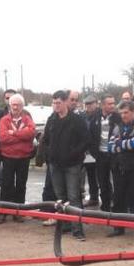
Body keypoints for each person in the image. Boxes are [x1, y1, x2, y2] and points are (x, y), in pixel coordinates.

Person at [41, 90, 89, 240]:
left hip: (72, 164)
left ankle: (77, 229)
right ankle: (65, 225)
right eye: (54, 103)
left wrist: (74, 154)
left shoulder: (77, 120)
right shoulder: (52, 119)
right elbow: (45, 139)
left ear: (66, 102)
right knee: (60, 197)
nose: (56, 106)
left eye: (59, 103)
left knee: (74, 196)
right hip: (55, 164)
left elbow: (85, 140)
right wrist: (49, 154)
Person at [107, 100, 134, 240]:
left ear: (133, 112)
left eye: (126, 112)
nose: (123, 116)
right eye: (121, 113)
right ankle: (118, 228)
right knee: (118, 200)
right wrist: (123, 145)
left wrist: (120, 143)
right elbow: (110, 147)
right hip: (120, 169)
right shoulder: (117, 127)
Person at [0, 94, 36, 223]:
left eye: (18, 104)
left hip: (24, 157)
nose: (15, 107)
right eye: (13, 104)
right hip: (8, 157)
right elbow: (3, 138)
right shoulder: (4, 120)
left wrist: (13, 133)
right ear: (9, 105)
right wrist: (21, 136)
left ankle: (19, 212)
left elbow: (31, 134)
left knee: (21, 185)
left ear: (22, 106)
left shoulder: (27, 119)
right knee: (6, 184)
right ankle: (3, 211)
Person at [87, 94, 119, 212]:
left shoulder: (117, 117)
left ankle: (117, 207)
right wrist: (95, 152)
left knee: (117, 181)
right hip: (100, 155)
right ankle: (105, 206)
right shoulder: (95, 117)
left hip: (114, 155)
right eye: (109, 103)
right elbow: (90, 136)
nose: (112, 106)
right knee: (103, 182)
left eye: (113, 103)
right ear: (103, 105)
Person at [81, 94, 100, 206]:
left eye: (91, 104)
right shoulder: (83, 116)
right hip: (86, 151)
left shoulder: (99, 115)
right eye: (87, 104)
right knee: (91, 175)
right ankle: (93, 197)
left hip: (98, 150)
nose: (88, 106)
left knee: (103, 176)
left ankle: (109, 196)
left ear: (96, 104)